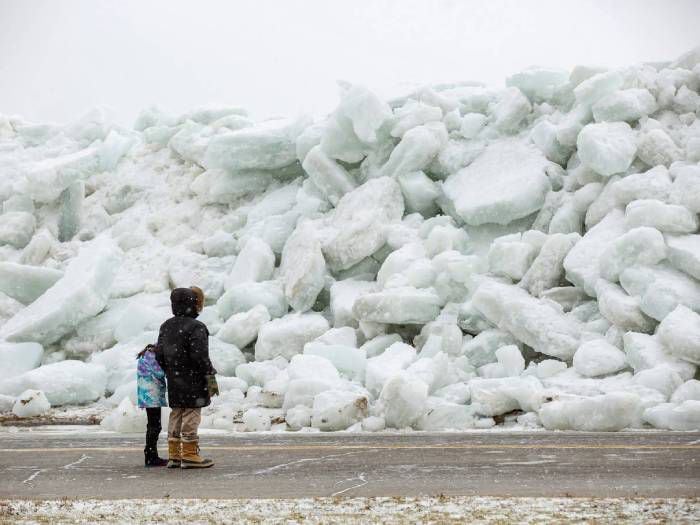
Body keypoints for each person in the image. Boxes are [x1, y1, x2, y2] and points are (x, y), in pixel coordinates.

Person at [155, 286, 219, 469]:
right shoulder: (196, 327)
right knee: (191, 412)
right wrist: (210, 376)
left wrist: (171, 370)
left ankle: (174, 455)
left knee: (176, 413)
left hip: (174, 378)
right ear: (193, 304)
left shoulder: (166, 325)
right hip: (193, 378)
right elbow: (200, 356)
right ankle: (190, 454)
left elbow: (159, 353)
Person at [136, 343, 168, 467]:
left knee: (153, 425)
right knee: (155, 426)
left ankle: (150, 454)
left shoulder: (147, 354)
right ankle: (151, 456)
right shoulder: (151, 356)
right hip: (150, 394)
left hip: (148, 394)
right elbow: (159, 373)